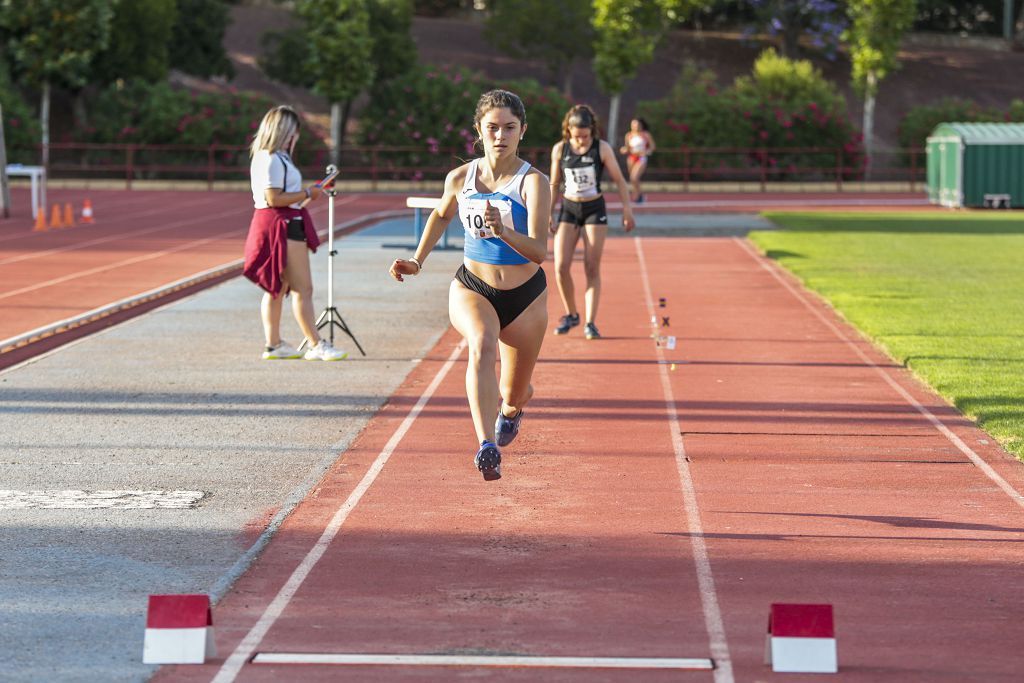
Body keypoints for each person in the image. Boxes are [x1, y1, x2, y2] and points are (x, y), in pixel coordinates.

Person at [389, 90, 550, 481]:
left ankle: (510, 413)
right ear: (478, 131)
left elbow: (540, 250)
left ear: (522, 131)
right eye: (492, 127)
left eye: (509, 127)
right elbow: (442, 216)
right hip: (474, 286)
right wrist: (417, 260)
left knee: (514, 394)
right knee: (481, 344)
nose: (500, 135)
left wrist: (503, 231)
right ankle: (485, 446)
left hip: (526, 298)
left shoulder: (534, 183)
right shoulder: (461, 177)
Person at [243, 105, 348, 361]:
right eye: (295, 131)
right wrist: (306, 193)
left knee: (278, 287)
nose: (297, 136)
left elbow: (277, 198)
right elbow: (273, 198)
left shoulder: (269, 157)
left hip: (277, 220)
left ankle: (274, 343)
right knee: (303, 288)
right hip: (282, 224)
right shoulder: (272, 159)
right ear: (286, 131)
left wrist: (305, 195)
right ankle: (316, 343)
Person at [549, 104, 635, 340]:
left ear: (592, 132)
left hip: (594, 209)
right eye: (577, 137)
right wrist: (548, 211)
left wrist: (627, 209)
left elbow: (619, 180)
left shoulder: (602, 148)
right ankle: (571, 314)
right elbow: (554, 184)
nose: (581, 142)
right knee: (560, 266)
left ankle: (590, 322)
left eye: (585, 136)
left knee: (591, 266)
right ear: (569, 131)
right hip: (568, 208)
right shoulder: (560, 149)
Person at [620, 117, 655, 203]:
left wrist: (647, 151)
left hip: (641, 158)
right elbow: (627, 148)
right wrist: (624, 150)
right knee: (633, 179)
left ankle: (639, 195)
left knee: (634, 177)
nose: (635, 126)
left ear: (641, 125)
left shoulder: (645, 135)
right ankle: (638, 195)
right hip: (632, 158)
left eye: (637, 124)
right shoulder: (629, 135)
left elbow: (652, 147)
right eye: (633, 125)